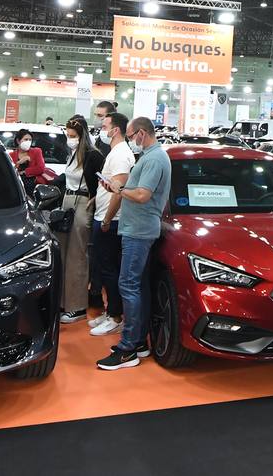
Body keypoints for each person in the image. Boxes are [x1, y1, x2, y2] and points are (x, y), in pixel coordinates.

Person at [97, 116, 169, 371]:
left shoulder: (154, 159)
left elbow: (141, 194)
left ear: (141, 133)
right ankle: (137, 342)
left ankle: (128, 348)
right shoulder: (151, 157)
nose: (130, 141)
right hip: (137, 229)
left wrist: (119, 190)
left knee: (128, 285)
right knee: (136, 285)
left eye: (130, 136)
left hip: (139, 232)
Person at [89, 112, 133, 337]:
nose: (102, 129)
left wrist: (107, 219)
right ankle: (110, 312)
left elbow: (119, 192)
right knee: (105, 268)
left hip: (112, 220)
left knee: (110, 269)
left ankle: (116, 316)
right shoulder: (115, 152)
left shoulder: (122, 155)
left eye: (105, 125)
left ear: (115, 130)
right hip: (103, 215)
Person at [57, 117, 105, 324]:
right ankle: (63, 301)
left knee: (77, 255)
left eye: (73, 136)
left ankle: (77, 306)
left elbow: (102, 182)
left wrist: (94, 200)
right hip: (67, 202)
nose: (70, 139)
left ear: (82, 135)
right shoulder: (72, 154)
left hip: (83, 203)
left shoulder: (93, 155)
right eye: (67, 136)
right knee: (63, 254)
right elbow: (64, 178)